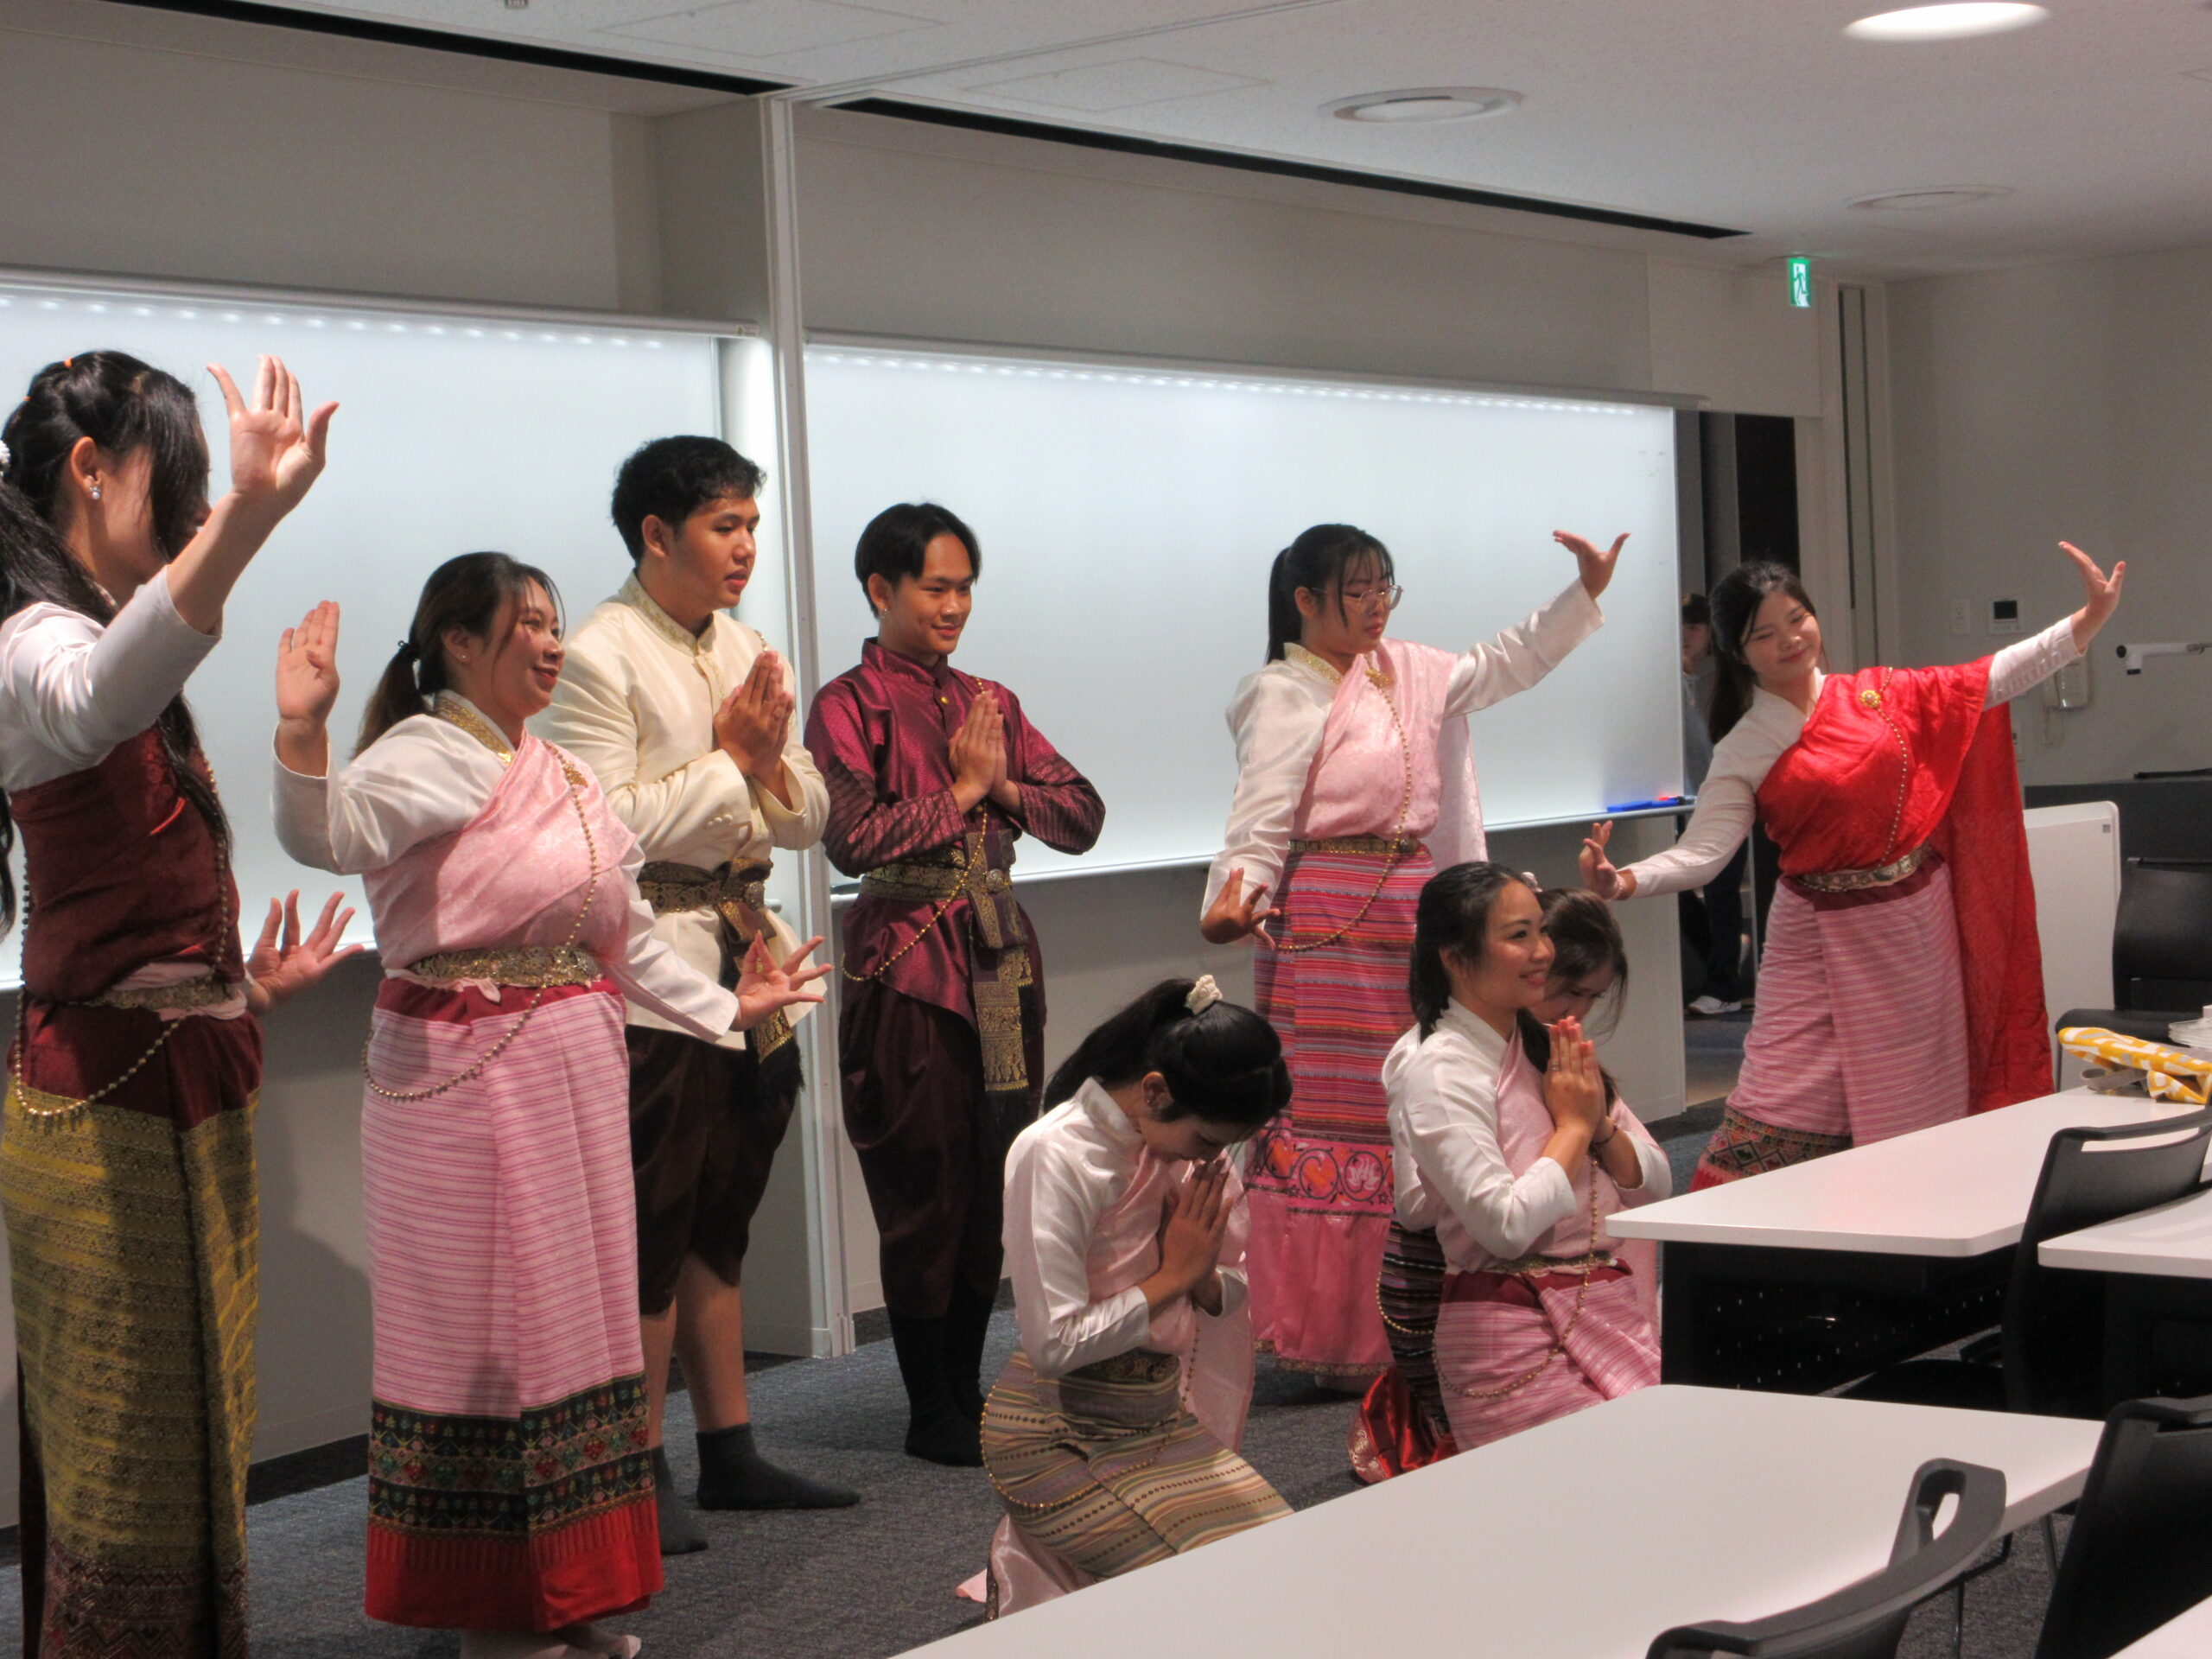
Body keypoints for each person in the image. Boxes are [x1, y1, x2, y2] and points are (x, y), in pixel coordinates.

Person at [271, 556, 828, 1659]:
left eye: (554, 623)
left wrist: (728, 1003)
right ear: (459, 645)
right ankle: (495, 1616)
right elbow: (324, 836)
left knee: (577, 1336)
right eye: (525, 624)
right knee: (489, 1338)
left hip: (569, 1073)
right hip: (463, 1087)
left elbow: (614, 938)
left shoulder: (556, 769)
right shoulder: (423, 753)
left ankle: (568, 1600)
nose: (550, 642)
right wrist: (300, 734)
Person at [0, 351, 353, 1659]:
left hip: (179, 1081)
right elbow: (97, 705)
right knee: (124, 1469)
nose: (203, 503)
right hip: (97, 1107)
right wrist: (256, 519)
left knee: (202, 1441)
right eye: (186, 480)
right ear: (90, 470)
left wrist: (240, 985)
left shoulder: (92, 626)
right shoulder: (34, 639)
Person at [1197, 522, 1625, 1384]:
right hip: (1330, 922)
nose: (1374, 606)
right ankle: (1343, 1334)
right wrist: (1232, 897)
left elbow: (1507, 661)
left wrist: (1584, 593)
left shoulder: (1413, 671)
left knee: (1434, 1095)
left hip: (1417, 912)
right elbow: (1260, 813)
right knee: (1344, 1119)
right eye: (1355, 590)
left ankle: (1431, 1291)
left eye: (1383, 587)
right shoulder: (1283, 691)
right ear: (1306, 600)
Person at [535, 436, 854, 1550]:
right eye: (726, 527)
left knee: (724, 1213)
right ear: (655, 535)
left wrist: (761, 766)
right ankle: (636, 1467)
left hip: (752, 951)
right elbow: (599, 830)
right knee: (651, 1222)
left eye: (752, 526)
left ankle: (730, 1450)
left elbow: (811, 815)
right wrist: (732, 762)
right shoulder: (595, 654)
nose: (746, 548)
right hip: (653, 971)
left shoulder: (749, 644)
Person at [1581, 548, 2124, 1185]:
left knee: (1919, 1104)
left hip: (1911, 932)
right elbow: (1705, 852)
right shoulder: (1746, 745)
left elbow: (1991, 677)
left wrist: (2090, 617)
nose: (1789, 640)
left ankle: (1910, 1240)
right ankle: (1757, 1257)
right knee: (1776, 1095)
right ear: (1738, 651)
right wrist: (1625, 880)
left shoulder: (1884, 695)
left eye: (1797, 618)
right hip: (1811, 938)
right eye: (1764, 634)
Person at [805, 502, 1105, 1465]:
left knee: (995, 1180)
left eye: (965, 586)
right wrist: (967, 795)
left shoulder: (990, 700)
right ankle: (927, 1404)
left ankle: (967, 1390)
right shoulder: (845, 703)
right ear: (880, 589)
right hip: (904, 963)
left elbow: (1082, 815)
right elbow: (853, 838)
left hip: (999, 962)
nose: (955, 605)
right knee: (922, 1183)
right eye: (936, 586)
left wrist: (1004, 787)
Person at [974, 976, 1294, 1615]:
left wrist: (1200, 1277)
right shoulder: (1056, 1153)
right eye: (1206, 1140)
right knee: (1210, 1598)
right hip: (1057, 1431)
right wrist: (1173, 1277)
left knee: (1282, 1567)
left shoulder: (1184, 1149)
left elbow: (1231, 1285)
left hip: (1153, 1416)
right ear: (1154, 1090)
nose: (1211, 1158)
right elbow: (1053, 1343)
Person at [1347, 884, 1644, 1482]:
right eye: (1519, 936)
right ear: (1455, 959)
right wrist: (1574, 1129)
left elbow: (1646, 1178)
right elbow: (1503, 1228)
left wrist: (1593, 1129)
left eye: (1541, 932)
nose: (1542, 952)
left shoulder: (1540, 1046)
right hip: (1502, 1326)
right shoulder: (1436, 1065)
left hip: (1595, 1301)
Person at [1678, 593, 1749, 1016]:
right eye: (1680, 625)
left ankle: (1724, 988)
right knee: (1680, 891)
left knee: (1721, 891)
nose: (1686, 635)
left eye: (1695, 626)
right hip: (1679, 797)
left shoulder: (1725, 680)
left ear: (1710, 633)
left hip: (1725, 794)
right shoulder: (1667, 678)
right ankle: (1723, 960)